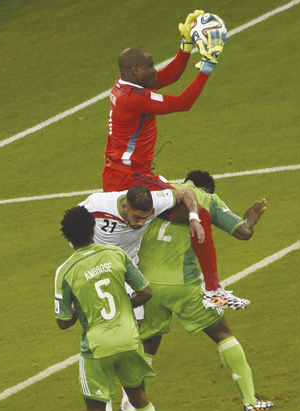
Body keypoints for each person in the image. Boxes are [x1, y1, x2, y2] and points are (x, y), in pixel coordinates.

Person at [100, 14, 245, 309]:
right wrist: (207, 66)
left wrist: (186, 46)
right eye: (151, 65)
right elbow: (183, 102)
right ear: (136, 69)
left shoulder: (126, 85)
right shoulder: (133, 99)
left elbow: (168, 77)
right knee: (199, 215)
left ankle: (193, 288)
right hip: (131, 178)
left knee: (139, 239)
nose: (156, 69)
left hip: (118, 173)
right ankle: (213, 290)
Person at [55, 206, 172, 411]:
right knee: (137, 394)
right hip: (130, 338)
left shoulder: (65, 271)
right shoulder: (116, 255)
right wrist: (123, 303)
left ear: (68, 240)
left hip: (97, 346)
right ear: (94, 231)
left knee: (95, 408)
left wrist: (78, 309)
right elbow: (145, 292)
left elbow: (62, 321)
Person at [137, 172, 273, 411]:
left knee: (148, 344)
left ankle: (134, 408)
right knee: (222, 333)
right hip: (184, 284)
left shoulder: (163, 191)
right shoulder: (206, 198)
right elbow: (243, 232)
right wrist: (250, 219)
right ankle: (251, 402)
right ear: (207, 189)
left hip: (145, 285)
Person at [78, 184, 203, 411]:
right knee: (100, 344)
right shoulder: (96, 205)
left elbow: (185, 194)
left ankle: (128, 405)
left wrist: (193, 217)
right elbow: (72, 222)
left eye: (146, 218)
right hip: (97, 275)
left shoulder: (154, 201)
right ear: (124, 206)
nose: (141, 223)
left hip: (127, 273)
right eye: (137, 217)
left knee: (132, 342)